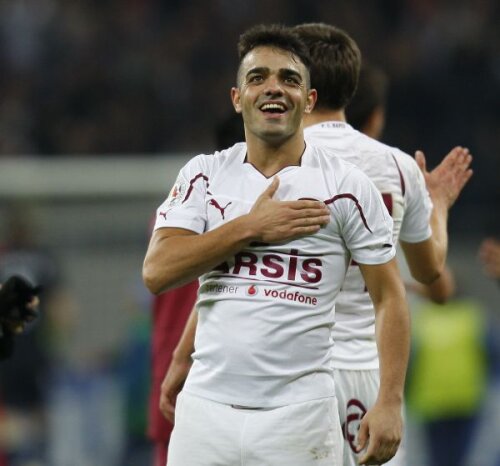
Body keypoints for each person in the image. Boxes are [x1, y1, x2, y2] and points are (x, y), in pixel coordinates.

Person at [144, 24, 410, 466]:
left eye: (289, 79)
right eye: (258, 77)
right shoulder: (203, 175)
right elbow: (157, 271)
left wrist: (390, 400)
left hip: (299, 418)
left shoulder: (347, 186)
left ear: (309, 100)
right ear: (237, 98)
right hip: (205, 413)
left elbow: (390, 297)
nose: (273, 88)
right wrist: (251, 226)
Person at [293, 23, 472, 466]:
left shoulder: (271, 159)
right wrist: (438, 205)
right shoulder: (397, 166)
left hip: (291, 367)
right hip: (370, 375)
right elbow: (430, 270)